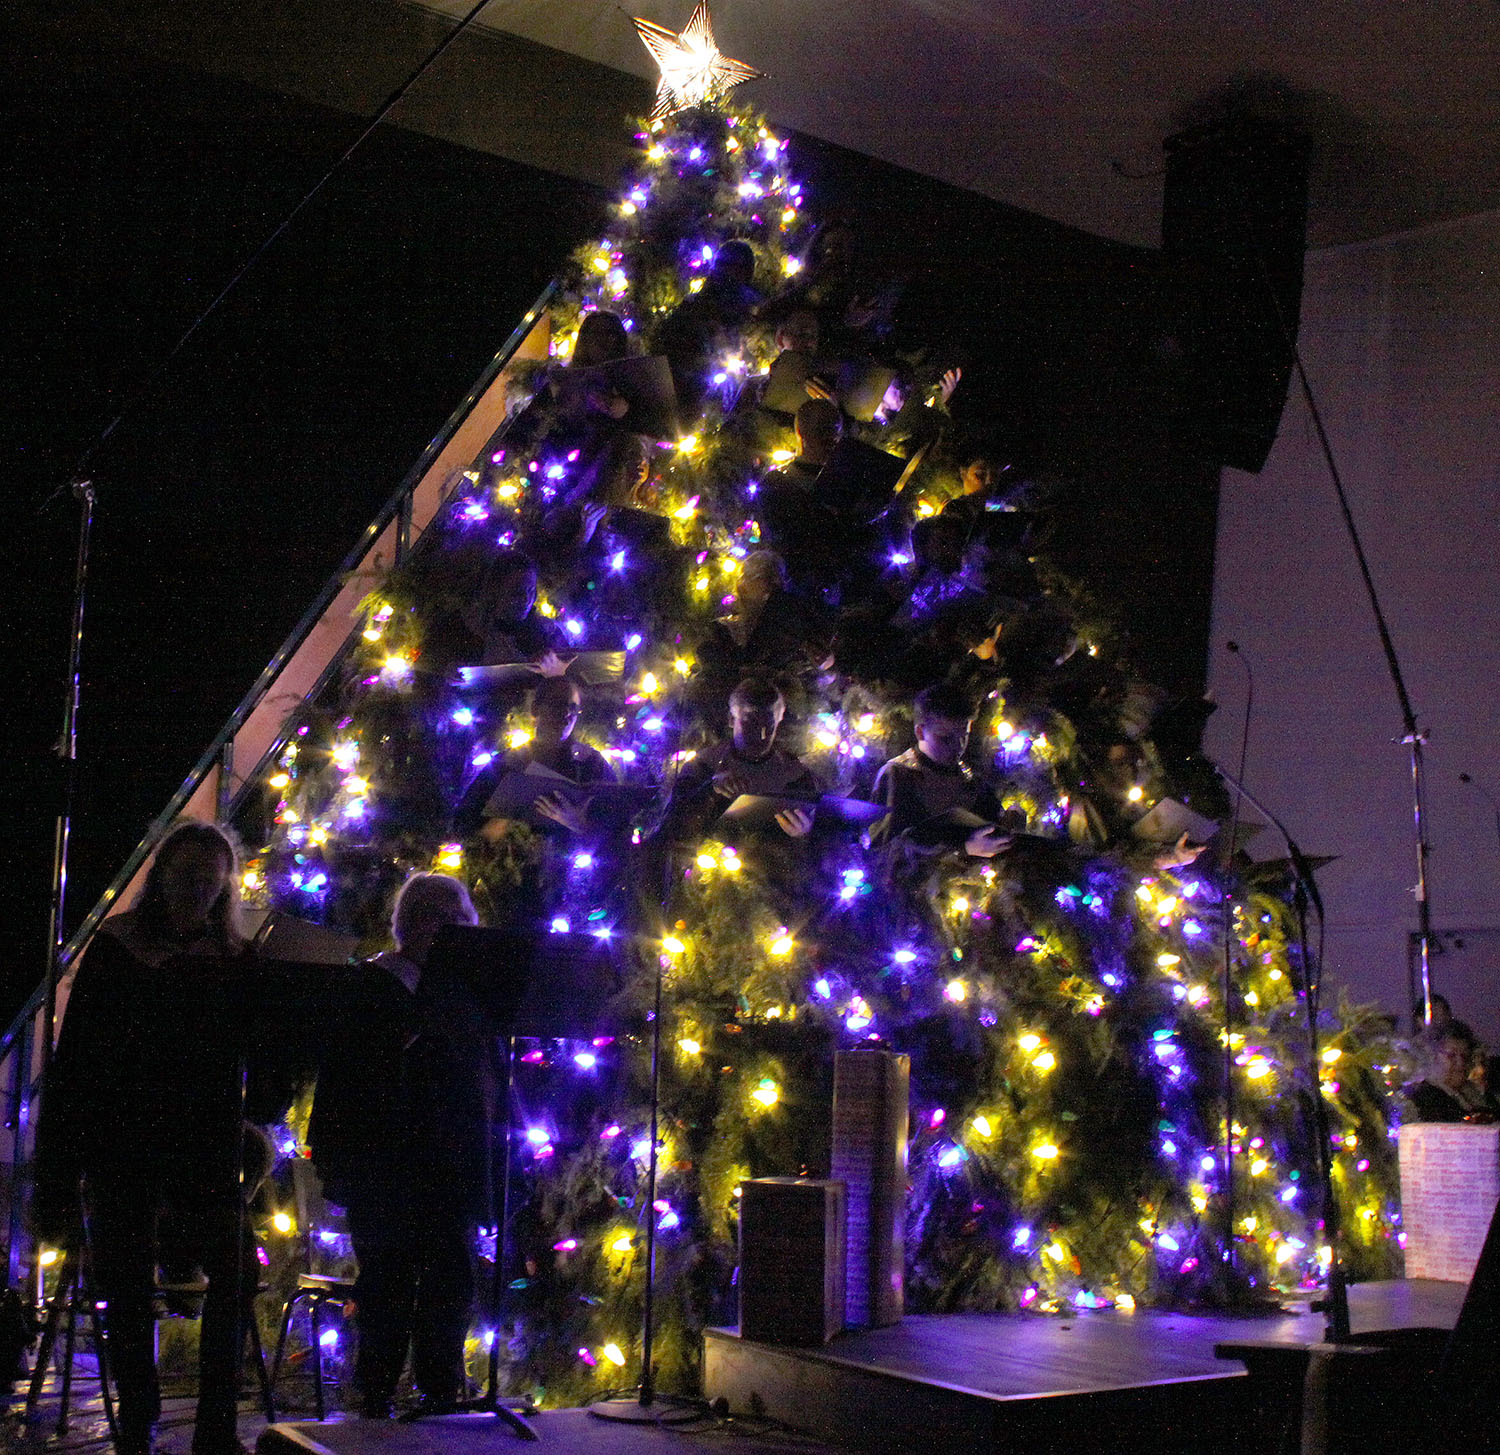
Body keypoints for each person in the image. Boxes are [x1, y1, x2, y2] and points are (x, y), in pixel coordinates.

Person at [32, 822, 260, 1455]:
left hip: (204, 1144)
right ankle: (139, 1414)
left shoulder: (236, 959)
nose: (198, 889)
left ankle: (215, 1423)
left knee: (237, 1274)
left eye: (210, 880)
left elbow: (254, 1052)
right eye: (187, 876)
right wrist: (63, 1162)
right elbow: (78, 1059)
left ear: (223, 887)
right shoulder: (120, 948)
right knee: (127, 1283)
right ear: (162, 878)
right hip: (124, 1138)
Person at [307, 873, 487, 1417]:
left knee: (451, 1277)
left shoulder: (466, 993)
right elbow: (349, 1076)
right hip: (385, 1161)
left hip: (448, 1159)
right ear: (409, 924)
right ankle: (375, 1392)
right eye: (437, 918)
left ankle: (440, 1390)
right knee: (387, 1277)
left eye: (458, 920)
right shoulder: (372, 984)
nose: (448, 931)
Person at [663, 677, 823, 847]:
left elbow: (819, 835)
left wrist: (803, 833)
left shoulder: (795, 776)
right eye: (750, 723)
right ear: (732, 719)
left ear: (779, 720)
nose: (760, 735)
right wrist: (710, 787)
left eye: (768, 725)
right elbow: (673, 825)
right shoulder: (703, 765)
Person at [453, 676, 618, 838]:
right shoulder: (504, 763)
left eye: (573, 708)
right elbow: (463, 822)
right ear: (535, 709)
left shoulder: (592, 764)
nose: (566, 713)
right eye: (557, 704)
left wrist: (580, 825)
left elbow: (618, 822)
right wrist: (492, 829)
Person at [868, 683, 1013, 857]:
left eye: (964, 736)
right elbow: (885, 851)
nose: (958, 747)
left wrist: (1008, 823)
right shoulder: (898, 775)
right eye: (945, 738)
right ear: (920, 732)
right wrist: (963, 848)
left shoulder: (968, 776)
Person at [1407, 1027, 1499, 1122]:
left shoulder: (1476, 1094)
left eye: (1464, 1056)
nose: (1460, 1063)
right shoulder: (1426, 1098)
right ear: (1432, 1056)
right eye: (1451, 1055)